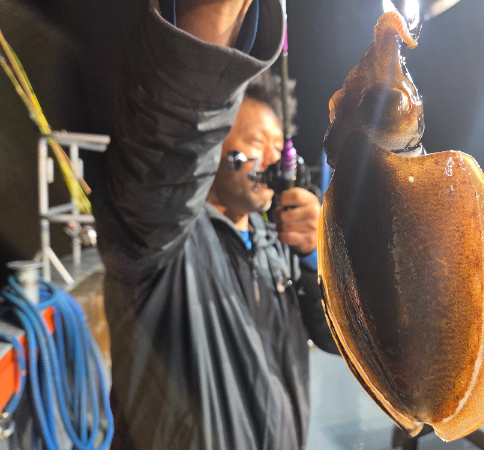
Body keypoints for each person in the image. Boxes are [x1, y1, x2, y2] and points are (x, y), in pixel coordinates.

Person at [91, 0, 338, 449]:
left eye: (279, 147)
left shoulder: (274, 244)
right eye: (257, 142)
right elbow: (172, 139)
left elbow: (332, 337)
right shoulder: (157, 240)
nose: (274, 160)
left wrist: (314, 260)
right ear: (210, 147)